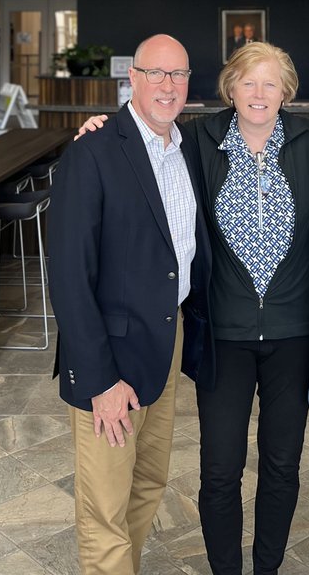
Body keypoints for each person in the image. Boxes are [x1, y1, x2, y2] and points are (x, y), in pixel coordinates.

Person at [78, 44, 309, 575]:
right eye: (249, 82)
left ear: (287, 92)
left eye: (271, 84)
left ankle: (266, 569)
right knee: (220, 470)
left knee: (281, 465)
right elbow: (140, 145)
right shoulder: (196, 139)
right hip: (223, 334)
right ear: (230, 89)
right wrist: (101, 132)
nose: (259, 94)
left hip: (293, 333)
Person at [49, 34, 214, 575]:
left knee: (148, 481)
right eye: (157, 74)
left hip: (166, 343)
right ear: (133, 79)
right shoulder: (92, 153)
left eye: (179, 75)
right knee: (105, 505)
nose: (168, 86)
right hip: (110, 359)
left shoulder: (187, 147)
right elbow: (70, 279)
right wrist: (99, 380)